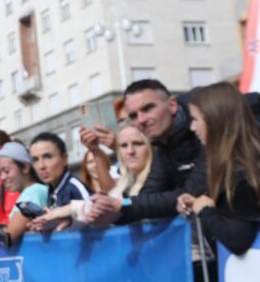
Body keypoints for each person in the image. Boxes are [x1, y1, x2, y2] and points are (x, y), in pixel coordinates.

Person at [88, 79, 205, 225]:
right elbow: (149, 195)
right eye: (133, 116)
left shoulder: (208, 125)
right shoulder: (163, 143)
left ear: (172, 105)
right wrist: (113, 210)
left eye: (148, 108)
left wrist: (121, 205)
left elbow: (191, 194)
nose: (141, 120)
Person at [178, 83, 260, 255]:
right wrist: (204, 201)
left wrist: (205, 210)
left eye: (195, 119)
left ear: (214, 119)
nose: (192, 128)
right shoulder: (244, 164)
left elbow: (238, 241)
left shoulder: (241, 173)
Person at [34, 124, 154, 230]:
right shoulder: (124, 181)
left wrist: (67, 211)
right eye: (123, 146)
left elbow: (141, 201)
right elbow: (102, 207)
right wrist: (66, 218)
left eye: (138, 143)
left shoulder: (160, 175)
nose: (130, 151)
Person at [27, 133, 91, 231]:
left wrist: (68, 218)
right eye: (35, 160)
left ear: (64, 159)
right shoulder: (51, 190)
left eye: (47, 157)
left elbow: (95, 209)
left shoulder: (74, 186)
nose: (41, 166)